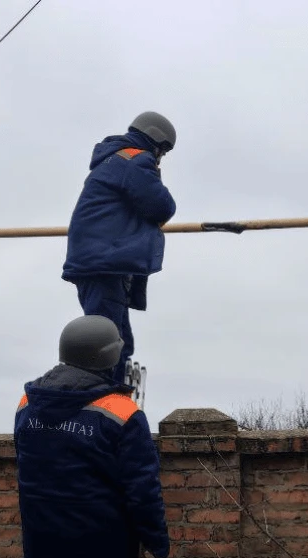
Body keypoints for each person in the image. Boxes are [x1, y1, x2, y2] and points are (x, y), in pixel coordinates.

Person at [14, 315, 170, 558]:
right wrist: (157, 544)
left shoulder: (27, 404)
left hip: (45, 548)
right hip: (100, 554)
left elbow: (27, 468)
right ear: (109, 357)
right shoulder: (122, 413)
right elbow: (143, 491)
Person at [62, 111, 178, 384]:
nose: (161, 157)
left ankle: (107, 393)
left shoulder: (115, 159)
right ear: (156, 141)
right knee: (105, 344)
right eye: (162, 151)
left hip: (99, 261)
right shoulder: (135, 159)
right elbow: (161, 206)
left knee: (117, 340)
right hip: (104, 263)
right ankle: (99, 398)